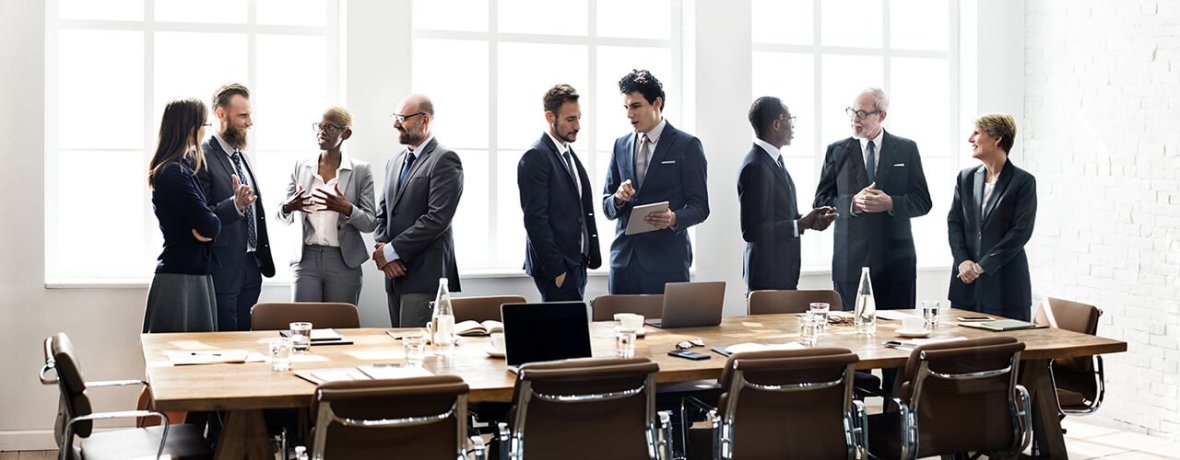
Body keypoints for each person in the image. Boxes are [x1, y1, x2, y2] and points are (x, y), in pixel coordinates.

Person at [813, 87, 931, 311]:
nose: (854, 119)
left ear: (882, 115)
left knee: (897, 338)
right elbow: (820, 201)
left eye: (862, 114)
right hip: (850, 264)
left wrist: (891, 203)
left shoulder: (907, 149)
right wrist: (852, 203)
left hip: (897, 265)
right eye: (852, 112)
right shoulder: (836, 151)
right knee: (850, 336)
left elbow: (923, 201)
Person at [602, 69, 710, 294]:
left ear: (656, 103)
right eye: (626, 107)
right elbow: (607, 205)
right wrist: (618, 199)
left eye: (636, 106)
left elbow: (701, 207)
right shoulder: (619, 145)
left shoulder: (687, 145)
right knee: (620, 330)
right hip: (624, 263)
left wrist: (673, 218)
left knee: (668, 330)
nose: (629, 114)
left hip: (666, 264)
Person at [373, 94, 463, 327]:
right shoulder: (395, 160)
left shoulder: (445, 159)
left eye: (402, 118)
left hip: (424, 276)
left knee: (417, 353)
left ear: (424, 120)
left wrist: (391, 252)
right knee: (398, 346)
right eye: (395, 118)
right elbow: (382, 213)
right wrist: (385, 256)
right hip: (394, 275)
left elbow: (437, 219)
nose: (395, 124)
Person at [277, 106, 376, 305]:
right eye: (319, 126)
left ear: (345, 133)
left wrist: (346, 208)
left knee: (340, 327)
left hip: (343, 259)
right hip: (306, 259)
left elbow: (370, 223)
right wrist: (288, 207)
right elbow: (281, 215)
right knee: (303, 326)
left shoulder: (360, 170)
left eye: (329, 127)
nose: (321, 132)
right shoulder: (301, 166)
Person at [197, 83, 275, 332]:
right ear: (221, 114)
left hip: (251, 267)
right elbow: (201, 217)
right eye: (243, 115)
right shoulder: (202, 157)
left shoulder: (242, 157)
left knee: (246, 341)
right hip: (222, 269)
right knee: (226, 344)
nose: (249, 122)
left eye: (249, 114)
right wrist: (235, 205)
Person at [739, 97, 836, 291]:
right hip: (767, 280)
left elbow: (778, 216)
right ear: (776, 124)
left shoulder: (774, 160)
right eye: (790, 119)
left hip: (783, 276)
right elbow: (751, 231)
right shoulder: (755, 166)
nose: (793, 125)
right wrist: (799, 224)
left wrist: (810, 221)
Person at [143, 98, 222, 333]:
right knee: (175, 358)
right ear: (191, 128)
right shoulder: (173, 173)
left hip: (191, 273)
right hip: (180, 280)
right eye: (204, 125)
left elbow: (207, 223)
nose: (205, 132)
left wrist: (208, 222)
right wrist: (209, 223)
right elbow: (210, 225)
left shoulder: (181, 168)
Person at [948, 114, 1037, 321]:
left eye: (977, 133)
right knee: (962, 350)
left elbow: (1021, 232)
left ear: (997, 138)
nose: (970, 139)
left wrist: (981, 267)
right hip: (966, 286)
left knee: (1007, 351)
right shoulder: (965, 178)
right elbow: (954, 223)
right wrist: (962, 261)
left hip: (1007, 288)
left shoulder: (1023, 182)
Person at [518, 84, 602, 301]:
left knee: (573, 331)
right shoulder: (536, 156)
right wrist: (557, 270)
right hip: (558, 268)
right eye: (570, 119)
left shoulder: (567, 152)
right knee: (561, 333)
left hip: (577, 263)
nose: (578, 125)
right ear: (549, 117)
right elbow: (535, 220)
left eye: (579, 117)